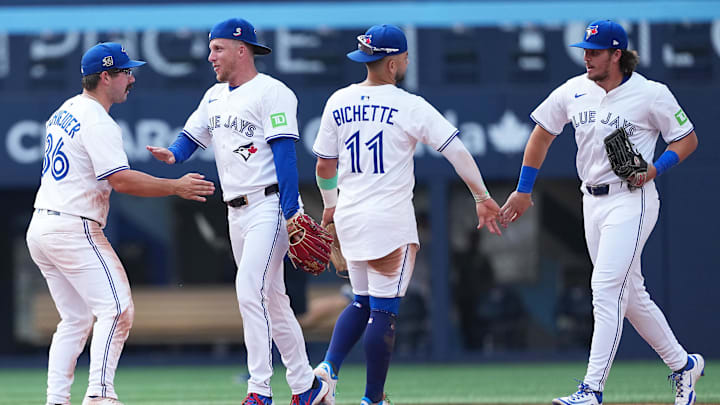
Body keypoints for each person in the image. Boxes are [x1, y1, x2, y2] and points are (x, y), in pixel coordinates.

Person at [499, 20, 703, 405]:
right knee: (632, 296)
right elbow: (542, 134)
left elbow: (687, 138)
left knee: (606, 289)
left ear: (617, 55)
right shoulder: (574, 90)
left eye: (595, 51)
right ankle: (684, 365)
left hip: (633, 198)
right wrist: (524, 190)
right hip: (591, 200)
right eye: (585, 50)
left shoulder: (651, 94)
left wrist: (656, 169)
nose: (587, 57)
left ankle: (591, 389)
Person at [311, 24, 501, 405]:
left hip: (349, 214)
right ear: (394, 63)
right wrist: (481, 195)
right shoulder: (408, 104)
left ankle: (328, 371)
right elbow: (456, 150)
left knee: (361, 301)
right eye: (404, 58)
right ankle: (373, 399)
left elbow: (324, 166)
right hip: (388, 222)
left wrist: (330, 204)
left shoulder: (338, 100)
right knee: (384, 312)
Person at [146, 18, 327, 405]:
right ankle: (306, 386)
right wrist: (173, 155)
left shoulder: (272, 92)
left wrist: (293, 210)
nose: (210, 55)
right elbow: (192, 136)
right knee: (273, 300)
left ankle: (259, 390)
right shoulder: (213, 96)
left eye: (217, 48)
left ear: (241, 50)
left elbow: (285, 154)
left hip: (270, 205)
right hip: (236, 213)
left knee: (250, 290)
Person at [26, 42, 215, 405]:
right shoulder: (97, 119)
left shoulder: (65, 110)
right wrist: (175, 186)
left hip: (43, 225)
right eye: (126, 72)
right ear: (106, 76)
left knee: (76, 320)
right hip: (72, 226)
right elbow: (122, 180)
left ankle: (56, 399)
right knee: (116, 308)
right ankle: (99, 395)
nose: (132, 78)